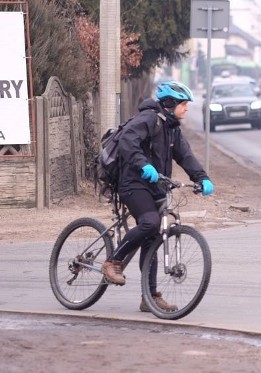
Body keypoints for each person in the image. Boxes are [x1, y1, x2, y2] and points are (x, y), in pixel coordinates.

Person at [101, 81, 215, 312]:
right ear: (170, 104)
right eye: (183, 104)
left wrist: (202, 178)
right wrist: (143, 165)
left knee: (153, 238)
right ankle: (113, 262)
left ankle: (149, 297)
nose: (187, 109)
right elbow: (127, 142)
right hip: (133, 182)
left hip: (156, 186)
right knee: (150, 223)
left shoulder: (172, 129)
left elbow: (185, 156)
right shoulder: (149, 119)